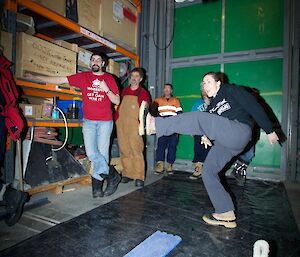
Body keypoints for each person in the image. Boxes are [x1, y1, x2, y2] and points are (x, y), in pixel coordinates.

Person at [145, 71, 279, 229]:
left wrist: (269, 129)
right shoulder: (213, 106)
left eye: (208, 81)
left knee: (198, 117)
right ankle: (225, 212)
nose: (204, 85)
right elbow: (209, 126)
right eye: (203, 83)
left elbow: (252, 104)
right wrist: (205, 135)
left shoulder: (230, 90)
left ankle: (156, 125)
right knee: (208, 171)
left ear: (218, 83)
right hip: (228, 142)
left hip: (240, 131)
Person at [25, 52, 121, 198]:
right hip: (89, 122)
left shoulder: (109, 79)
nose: (95, 62)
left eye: (98, 60)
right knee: (91, 154)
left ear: (103, 64)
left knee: (103, 155)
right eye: (92, 59)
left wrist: (105, 88)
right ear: (90, 63)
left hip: (105, 122)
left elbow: (117, 101)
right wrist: (36, 77)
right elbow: (61, 79)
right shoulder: (83, 77)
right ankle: (112, 175)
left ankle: (97, 188)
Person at [116, 68, 151, 187]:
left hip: (134, 125)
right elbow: (119, 106)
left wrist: (141, 125)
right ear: (130, 78)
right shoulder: (124, 91)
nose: (134, 78)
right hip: (121, 124)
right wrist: (117, 120)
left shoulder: (143, 93)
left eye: (137, 76)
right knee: (124, 149)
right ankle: (127, 174)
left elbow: (146, 112)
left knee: (136, 150)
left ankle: (139, 176)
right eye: (132, 76)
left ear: (140, 79)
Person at [153, 83, 182, 175]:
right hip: (162, 127)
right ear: (163, 90)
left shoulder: (176, 100)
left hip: (173, 127)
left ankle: (169, 165)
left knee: (172, 147)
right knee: (160, 146)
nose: (167, 90)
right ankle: (160, 166)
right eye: (165, 88)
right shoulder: (157, 100)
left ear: (171, 91)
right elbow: (152, 113)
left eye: (168, 89)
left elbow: (180, 114)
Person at [189, 89, 211, 180]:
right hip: (199, 129)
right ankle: (198, 166)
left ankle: (203, 168)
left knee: (207, 149)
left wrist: (209, 103)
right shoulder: (198, 102)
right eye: (202, 91)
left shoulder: (214, 102)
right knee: (197, 147)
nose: (204, 93)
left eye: (205, 91)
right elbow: (192, 115)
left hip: (210, 129)